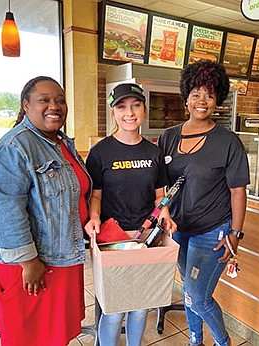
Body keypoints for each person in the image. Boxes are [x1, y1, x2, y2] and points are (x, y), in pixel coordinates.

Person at [0, 76, 91, 346]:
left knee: (55, 335)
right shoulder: (15, 146)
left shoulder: (60, 142)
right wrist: (28, 262)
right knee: (27, 338)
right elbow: (5, 208)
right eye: (45, 100)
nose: (54, 106)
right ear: (26, 106)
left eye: (60, 100)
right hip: (31, 264)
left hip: (61, 255)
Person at [157, 60, 250, 346]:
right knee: (188, 290)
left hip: (213, 231)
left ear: (217, 100)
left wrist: (234, 234)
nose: (202, 101)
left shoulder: (228, 141)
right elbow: (159, 184)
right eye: (196, 93)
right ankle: (195, 340)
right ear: (186, 97)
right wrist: (163, 212)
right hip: (178, 230)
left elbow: (238, 191)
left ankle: (223, 341)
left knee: (198, 295)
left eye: (209, 95)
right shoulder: (168, 137)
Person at [84, 83, 176, 346]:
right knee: (114, 310)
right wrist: (94, 218)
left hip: (146, 238)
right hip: (113, 239)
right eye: (122, 107)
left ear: (144, 109)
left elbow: (160, 195)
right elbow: (96, 195)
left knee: (141, 306)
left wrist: (165, 214)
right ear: (113, 112)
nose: (130, 113)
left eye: (136, 105)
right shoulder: (100, 152)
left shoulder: (153, 152)